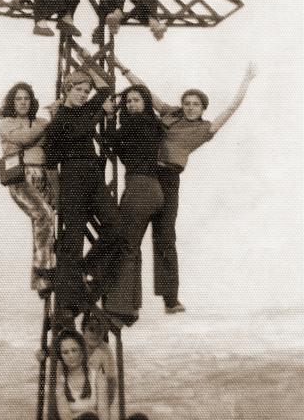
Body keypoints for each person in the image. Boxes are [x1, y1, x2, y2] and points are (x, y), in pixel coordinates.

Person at [115, 59, 257, 313]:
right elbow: (145, 91)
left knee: (166, 236)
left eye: (196, 104)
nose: (190, 107)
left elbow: (231, 109)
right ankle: (128, 301)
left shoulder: (205, 129)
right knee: (131, 239)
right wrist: (122, 67)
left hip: (169, 180)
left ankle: (170, 299)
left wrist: (246, 81)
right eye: (187, 103)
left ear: (203, 108)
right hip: (145, 175)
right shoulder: (169, 114)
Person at [43, 57, 124, 327]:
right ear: (67, 89)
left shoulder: (86, 108)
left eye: (85, 91)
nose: (83, 94)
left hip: (94, 179)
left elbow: (106, 88)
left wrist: (89, 62)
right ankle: (66, 307)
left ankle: (87, 268)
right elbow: (51, 164)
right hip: (72, 182)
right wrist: (55, 196)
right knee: (72, 243)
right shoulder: (58, 121)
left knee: (117, 227)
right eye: (78, 89)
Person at [102, 84, 164, 327]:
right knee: (132, 246)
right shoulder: (150, 125)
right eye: (128, 102)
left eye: (136, 100)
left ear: (145, 103)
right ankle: (130, 306)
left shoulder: (136, 124)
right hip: (151, 190)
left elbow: (109, 140)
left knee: (125, 245)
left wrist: (109, 115)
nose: (131, 105)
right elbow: (119, 147)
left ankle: (121, 307)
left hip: (140, 188)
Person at [0, 82, 56, 297]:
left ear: (31, 101)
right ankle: (43, 269)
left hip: (42, 175)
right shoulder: (6, 123)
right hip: (20, 177)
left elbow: (42, 143)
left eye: (26, 98)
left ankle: (41, 279)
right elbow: (23, 139)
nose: (23, 102)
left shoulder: (39, 121)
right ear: (12, 102)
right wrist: (44, 128)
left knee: (45, 223)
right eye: (18, 99)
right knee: (43, 215)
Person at [55, 329, 110, 420]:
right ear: (61, 356)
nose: (71, 356)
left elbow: (103, 412)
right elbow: (65, 416)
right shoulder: (60, 382)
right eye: (65, 352)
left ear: (82, 351)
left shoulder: (97, 377)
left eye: (74, 350)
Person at [81, 313, 117, 406]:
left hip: (95, 398)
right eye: (91, 329)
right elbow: (58, 348)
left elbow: (111, 382)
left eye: (100, 330)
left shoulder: (105, 350)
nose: (95, 334)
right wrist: (44, 352)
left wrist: (103, 407)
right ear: (83, 331)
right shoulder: (77, 343)